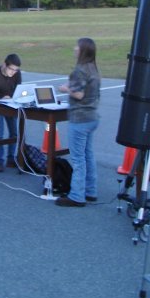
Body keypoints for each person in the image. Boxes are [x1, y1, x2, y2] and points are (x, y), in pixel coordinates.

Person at [55, 37, 101, 207]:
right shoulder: (93, 69)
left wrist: (65, 88)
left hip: (80, 118)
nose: (74, 48)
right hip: (92, 117)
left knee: (78, 158)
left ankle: (77, 195)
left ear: (82, 51)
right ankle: (90, 190)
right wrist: (71, 84)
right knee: (88, 155)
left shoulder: (80, 70)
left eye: (77, 46)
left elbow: (79, 94)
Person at [0, 54, 22, 171]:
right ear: (4, 64)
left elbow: (19, 91)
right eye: (11, 69)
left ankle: (11, 158)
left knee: (14, 133)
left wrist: (12, 97)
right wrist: (2, 98)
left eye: (15, 70)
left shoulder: (17, 74)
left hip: (11, 105)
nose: (13, 72)